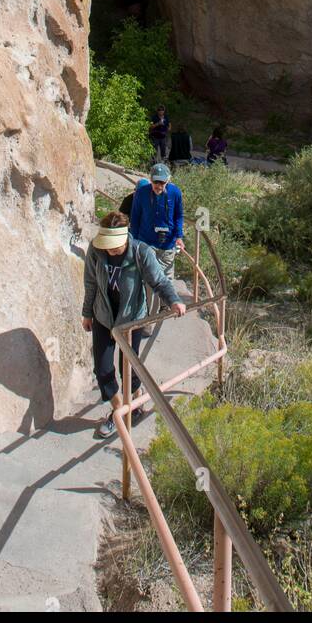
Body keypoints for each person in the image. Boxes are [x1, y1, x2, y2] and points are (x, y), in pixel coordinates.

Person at [82, 210, 186, 438]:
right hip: (104, 316)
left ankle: (135, 402)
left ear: (125, 236)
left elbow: (159, 280)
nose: (110, 250)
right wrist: (87, 313)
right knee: (102, 368)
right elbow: (90, 282)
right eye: (107, 245)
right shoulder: (96, 250)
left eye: (114, 246)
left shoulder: (140, 251)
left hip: (131, 319)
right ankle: (120, 412)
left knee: (129, 367)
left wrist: (174, 300)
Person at [129, 163, 185, 311]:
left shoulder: (175, 193)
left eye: (162, 182)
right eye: (156, 182)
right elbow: (135, 218)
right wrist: (134, 243)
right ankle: (150, 318)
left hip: (168, 244)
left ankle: (165, 305)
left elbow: (179, 215)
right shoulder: (141, 193)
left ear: (168, 180)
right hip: (147, 242)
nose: (158, 186)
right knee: (151, 280)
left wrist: (179, 236)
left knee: (167, 277)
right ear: (150, 179)